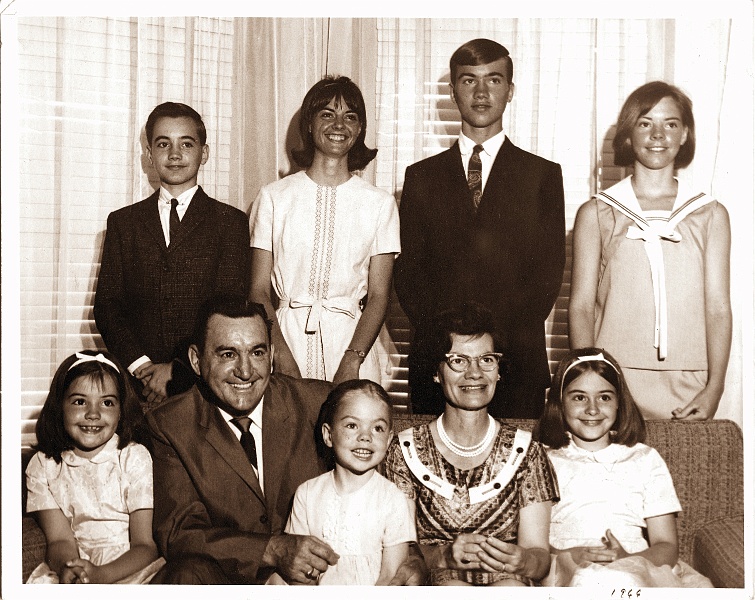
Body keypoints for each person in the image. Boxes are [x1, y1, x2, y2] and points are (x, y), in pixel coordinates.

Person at [146, 295, 426, 585]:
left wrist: (412, 557)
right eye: (228, 354)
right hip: (227, 578)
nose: (245, 371)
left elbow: (374, 494)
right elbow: (180, 532)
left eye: (257, 353)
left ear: (272, 355)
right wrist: (271, 550)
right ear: (196, 360)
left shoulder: (319, 404)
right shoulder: (171, 423)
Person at [394, 38, 565, 419]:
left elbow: (546, 279)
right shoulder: (421, 177)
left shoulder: (542, 176)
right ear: (453, 91)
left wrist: (489, 352)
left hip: (515, 366)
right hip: (438, 367)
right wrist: (455, 349)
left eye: (495, 80)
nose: (482, 92)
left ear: (511, 90)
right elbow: (408, 278)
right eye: (469, 80)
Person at [569, 82, 732, 420]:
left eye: (670, 124)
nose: (658, 134)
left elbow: (717, 308)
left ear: (685, 134)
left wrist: (714, 387)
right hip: (612, 380)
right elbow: (582, 306)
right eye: (645, 122)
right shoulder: (597, 213)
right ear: (628, 133)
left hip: (689, 382)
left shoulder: (710, 214)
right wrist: (589, 382)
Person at [384, 303, 558, 586]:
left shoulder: (528, 452)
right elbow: (401, 555)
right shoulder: (404, 450)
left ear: (499, 370)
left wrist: (524, 560)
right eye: (458, 360)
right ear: (436, 372)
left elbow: (539, 557)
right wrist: (444, 556)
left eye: (486, 359)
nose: (475, 373)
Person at [94, 102, 250, 409]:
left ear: (204, 153)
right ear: (150, 155)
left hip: (204, 384)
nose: (175, 154)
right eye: (163, 144)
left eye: (186, 144)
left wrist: (178, 369)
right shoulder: (124, 222)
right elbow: (108, 307)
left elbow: (229, 306)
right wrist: (142, 367)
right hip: (139, 387)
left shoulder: (230, 222)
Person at [250, 75, 399, 386]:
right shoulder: (274, 197)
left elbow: (379, 296)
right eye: (327, 114)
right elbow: (258, 291)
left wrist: (351, 360)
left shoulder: (380, 204)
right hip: (285, 339)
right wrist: (279, 353)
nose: (339, 125)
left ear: (360, 130)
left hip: (352, 346)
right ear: (309, 123)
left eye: (350, 117)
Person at [537, 348, 713, 587]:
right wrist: (568, 555)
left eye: (605, 397)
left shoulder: (645, 459)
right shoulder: (541, 460)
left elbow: (667, 546)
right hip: (565, 568)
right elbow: (531, 545)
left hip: (636, 566)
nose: (592, 409)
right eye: (579, 397)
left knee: (620, 579)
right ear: (559, 402)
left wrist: (628, 559)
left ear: (619, 402)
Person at [25, 350, 164, 584]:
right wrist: (73, 570)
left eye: (107, 402)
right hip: (77, 563)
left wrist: (101, 575)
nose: (93, 414)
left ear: (121, 412)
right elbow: (60, 541)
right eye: (80, 401)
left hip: (130, 569)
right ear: (60, 406)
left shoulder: (133, 457)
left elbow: (145, 546)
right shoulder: (43, 466)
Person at [268, 379, 416, 585]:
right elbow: (298, 570)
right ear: (329, 435)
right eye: (352, 425)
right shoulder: (307, 494)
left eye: (378, 428)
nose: (365, 436)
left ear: (389, 439)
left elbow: (391, 575)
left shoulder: (394, 499)